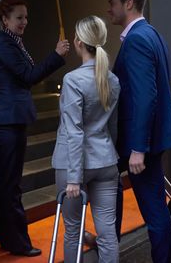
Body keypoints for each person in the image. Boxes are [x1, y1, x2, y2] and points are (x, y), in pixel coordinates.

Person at [0, 0, 70, 257]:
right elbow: (29, 76)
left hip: (7, 118)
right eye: (19, 17)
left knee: (4, 183)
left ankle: (5, 236)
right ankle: (18, 243)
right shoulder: (6, 45)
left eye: (26, 17)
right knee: (10, 185)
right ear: (5, 19)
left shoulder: (11, 42)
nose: (24, 22)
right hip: (8, 121)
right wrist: (56, 55)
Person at [108, 0, 171, 263]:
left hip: (143, 144)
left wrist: (138, 148)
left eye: (112, 3)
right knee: (154, 208)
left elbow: (145, 96)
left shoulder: (137, 39)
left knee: (154, 212)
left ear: (128, 3)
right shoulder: (152, 33)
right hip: (154, 138)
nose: (108, 10)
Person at [52, 15, 121, 263]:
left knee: (73, 232)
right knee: (107, 233)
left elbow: (74, 131)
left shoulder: (72, 80)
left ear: (79, 41)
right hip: (105, 161)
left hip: (74, 167)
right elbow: (113, 125)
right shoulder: (113, 80)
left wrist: (73, 177)